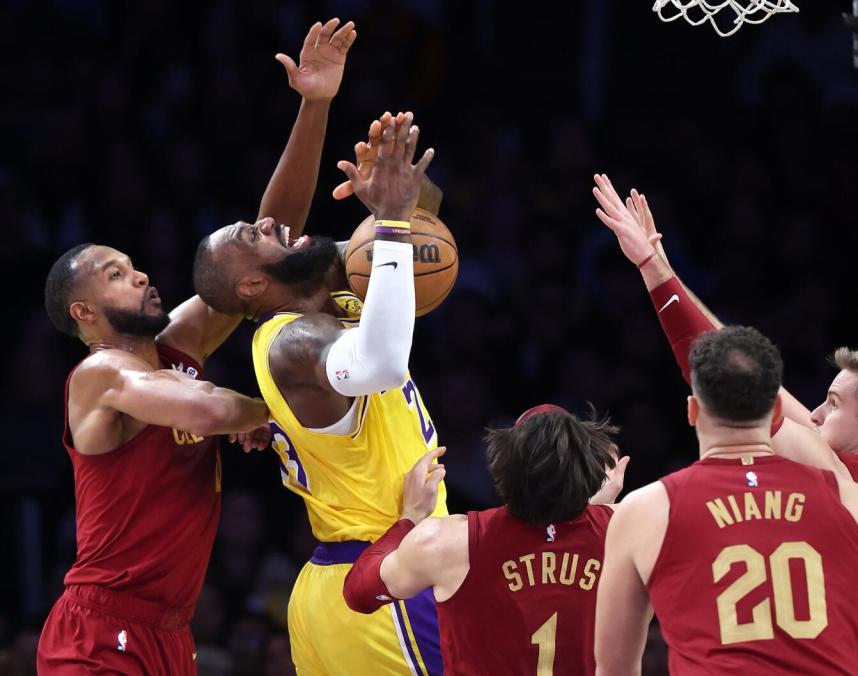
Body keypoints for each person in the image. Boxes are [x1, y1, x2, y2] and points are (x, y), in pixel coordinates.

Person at [36, 18, 358, 674]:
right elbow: (208, 411)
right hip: (99, 631)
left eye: (134, 264)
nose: (142, 274)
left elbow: (268, 252)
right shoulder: (98, 375)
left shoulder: (177, 349)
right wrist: (265, 411)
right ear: (84, 311)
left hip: (168, 632)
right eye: (116, 274)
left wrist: (314, 104)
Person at [592, 173, 858, 674]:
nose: (814, 413)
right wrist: (657, 264)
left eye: (833, 405)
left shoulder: (848, 483)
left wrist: (652, 268)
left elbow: (730, 375)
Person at [192, 111, 446, 674]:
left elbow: (423, 224)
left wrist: (393, 180)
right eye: (250, 236)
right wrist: (394, 219)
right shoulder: (291, 343)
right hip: (382, 578)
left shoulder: (322, 280)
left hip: (351, 577)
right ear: (254, 286)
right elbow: (381, 364)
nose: (267, 224)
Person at [595, 327, 858, 676]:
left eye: (833, 404)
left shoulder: (644, 509)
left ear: (692, 411)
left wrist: (598, 509)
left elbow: (614, 666)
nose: (815, 415)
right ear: (777, 408)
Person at [342, 404, 629, 675]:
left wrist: (409, 518)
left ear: (501, 466)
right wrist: (596, 509)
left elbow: (357, 593)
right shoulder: (631, 529)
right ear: (592, 468)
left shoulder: (445, 541)